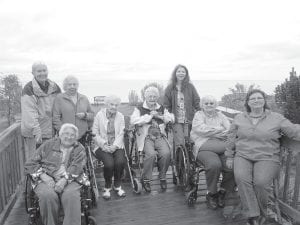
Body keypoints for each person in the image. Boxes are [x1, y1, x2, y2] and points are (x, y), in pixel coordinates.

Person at [225, 89, 300, 225]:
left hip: (267, 156)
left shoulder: (276, 118)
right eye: (252, 98)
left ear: (264, 101)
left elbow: (294, 131)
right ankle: (254, 215)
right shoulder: (239, 118)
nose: (256, 100)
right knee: (242, 178)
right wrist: (229, 156)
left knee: (260, 182)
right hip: (243, 155)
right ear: (248, 102)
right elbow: (231, 137)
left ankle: (261, 213)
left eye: (259, 98)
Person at [24, 123, 86, 225]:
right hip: (45, 177)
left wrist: (64, 180)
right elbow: (30, 163)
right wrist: (44, 177)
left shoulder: (79, 149)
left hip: (72, 179)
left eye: (72, 135)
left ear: (76, 138)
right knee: (47, 196)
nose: (69, 137)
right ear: (60, 135)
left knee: (71, 196)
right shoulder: (48, 145)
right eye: (66, 134)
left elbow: (77, 167)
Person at [190, 95, 235, 209]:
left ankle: (222, 192)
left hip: (219, 144)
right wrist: (219, 130)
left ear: (215, 105)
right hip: (204, 145)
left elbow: (229, 128)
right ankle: (211, 193)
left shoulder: (220, 115)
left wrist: (215, 132)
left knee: (232, 165)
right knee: (214, 165)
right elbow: (200, 129)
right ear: (202, 105)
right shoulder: (198, 115)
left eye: (211, 103)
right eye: (206, 103)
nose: (209, 105)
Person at [131, 86, 174, 192]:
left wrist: (160, 117)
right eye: (150, 96)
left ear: (157, 97)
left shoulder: (161, 108)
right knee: (151, 154)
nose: (152, 98)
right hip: (146, 137)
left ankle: (162, 176)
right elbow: (133, 121)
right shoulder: (139, 108)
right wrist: (149, 116)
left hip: (160, 136)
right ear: (145, 97)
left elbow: (171, 119)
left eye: (154, 96)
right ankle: (146, 178)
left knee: (166, 153)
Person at [21, 61, 61, 160]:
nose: (42, 73)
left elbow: (61, 106)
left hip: (51, 132)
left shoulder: (54, 87)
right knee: (35, 161)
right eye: (39, 71)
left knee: (49, 161)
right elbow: (29, 114)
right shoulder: (29, 89)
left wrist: (61, 127)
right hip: (35, 134)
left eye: (44, 70)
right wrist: (37, 134)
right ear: (33, 73)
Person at [92, 95, 126, 199]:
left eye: (116, 105)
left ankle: (117, 185)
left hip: (117, 145)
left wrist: (115, 146)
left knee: (120, 162)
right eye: (111, 104)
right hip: (101, 146)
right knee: (109, 164)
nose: (114, 107)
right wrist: (103, 144)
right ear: (107, 104)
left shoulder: (120, 116)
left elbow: (121, 133)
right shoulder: (99, 115)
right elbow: (94, 132)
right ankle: (107, 187)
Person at [164, 64, 200, 149]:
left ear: (186, 74)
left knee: (190, 141)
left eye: (183, 71)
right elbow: (166, 105)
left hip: (189, 119)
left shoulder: (190, 87)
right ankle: (178, 161)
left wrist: (202, 112)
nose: (181, 73)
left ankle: (189, 161)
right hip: (176, 120)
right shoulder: (170, 88)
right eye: (179, 71)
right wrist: (168, 117)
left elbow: (197, 101)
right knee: (179, 143)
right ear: (175, 73)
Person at [52, 75, 94, 143]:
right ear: (65, 86)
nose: (72, 86)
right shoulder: (59, 98)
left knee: (81, 153)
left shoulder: (84, 98)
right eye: (69, 84)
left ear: (77, 86)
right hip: (65, 136)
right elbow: (55, 118)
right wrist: (63, 131)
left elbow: (92, 115)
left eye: (74, 84)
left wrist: (85, 115)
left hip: (82, 135)